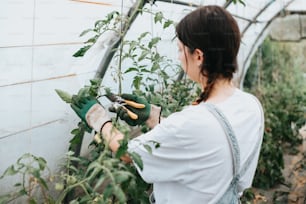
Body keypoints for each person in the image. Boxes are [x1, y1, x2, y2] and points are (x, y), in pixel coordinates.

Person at [71, 5, 264, 204]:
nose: (179, 57)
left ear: (198, 56)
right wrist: (154, 118)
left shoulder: (193, 121)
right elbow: (203, 143)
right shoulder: (251, 106)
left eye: (181, 50)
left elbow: (128, 153)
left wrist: (99, 120)